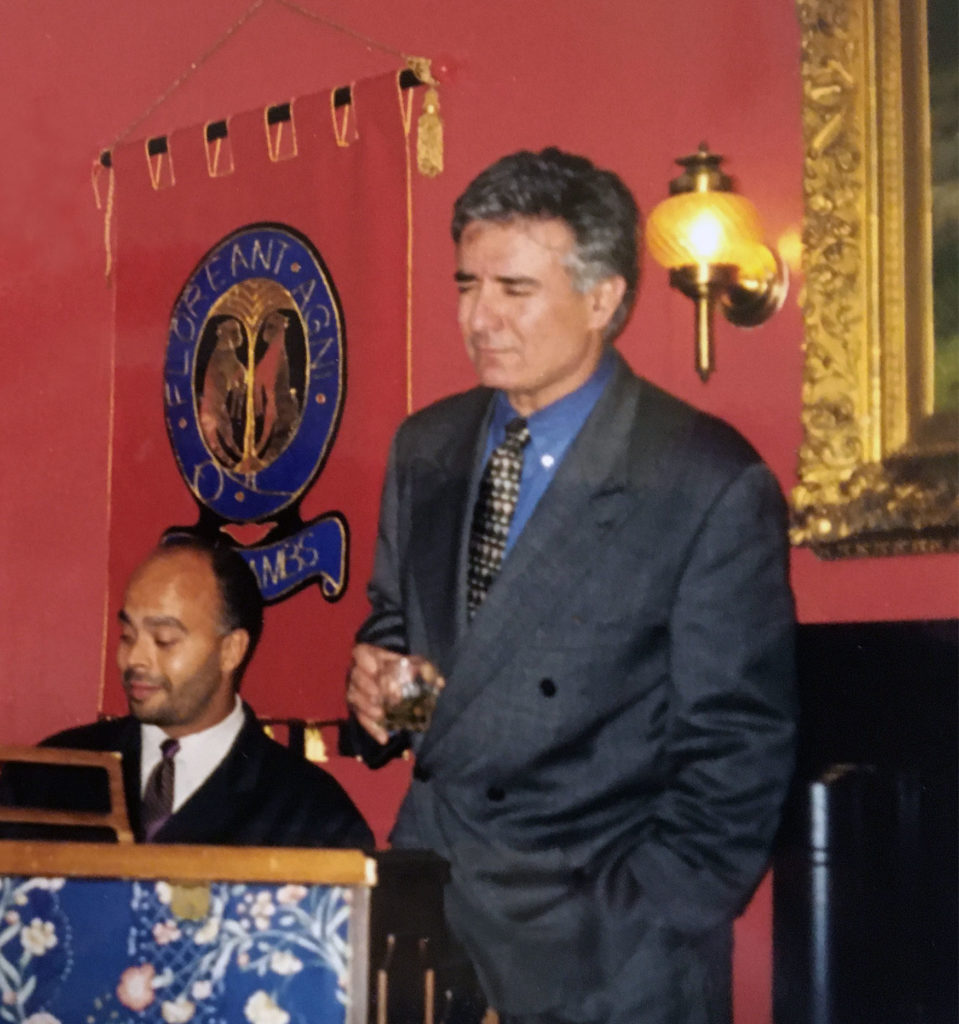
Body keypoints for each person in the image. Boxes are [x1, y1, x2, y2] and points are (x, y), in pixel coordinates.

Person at [346, 147, 795, 1024]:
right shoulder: (425, 446)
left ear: (603, 300)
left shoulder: (703, 480)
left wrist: (639, 925)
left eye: (514, 290)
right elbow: (412, 649)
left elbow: (738, 755)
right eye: (467, 283)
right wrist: (382, 695)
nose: (479, 318)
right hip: (425, 931)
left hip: (604, 962)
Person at [2, 537, 372, 849]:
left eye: (164, 640)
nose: (134, 659)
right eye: (128, 636)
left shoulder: (311, 816)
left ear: (231, 650)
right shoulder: (47, 777)